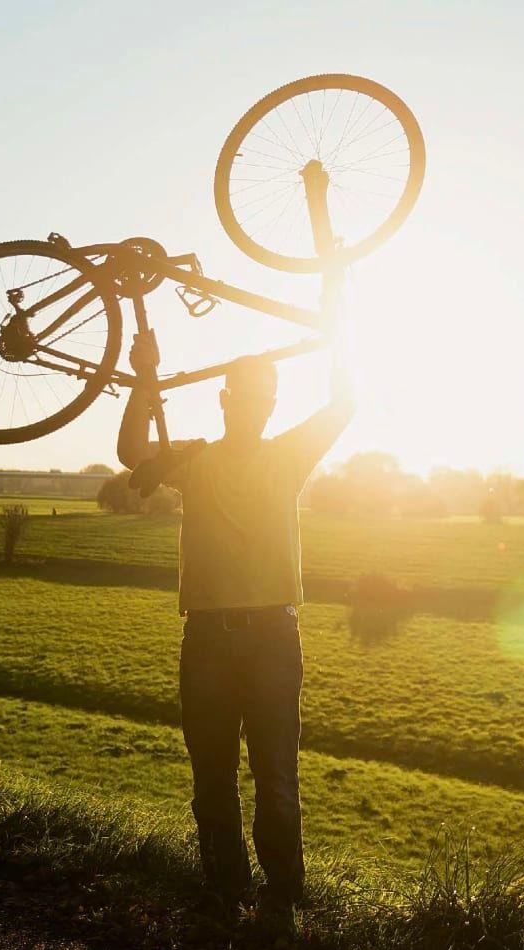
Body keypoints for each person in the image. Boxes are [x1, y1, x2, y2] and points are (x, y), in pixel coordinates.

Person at [116, 329, 355, 917]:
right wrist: (144, 378)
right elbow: (131, 452)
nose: (253, 405)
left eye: (263, 397)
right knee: (212, 780)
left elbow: (345, 402)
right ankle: (225, 890)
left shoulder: (289, 455)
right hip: (207, 640)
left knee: (277, 778)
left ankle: (281, 901)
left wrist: (340, 314)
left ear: (272, 404)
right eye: (242, 396)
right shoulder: (193, 458)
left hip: (274, 637)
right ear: (225, 400)